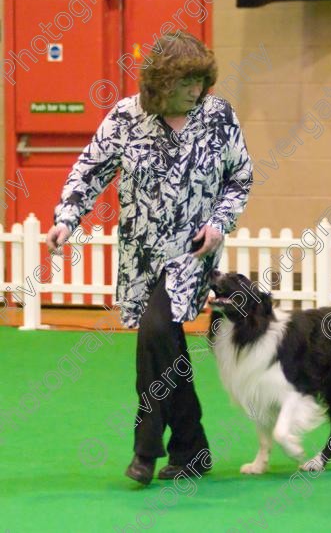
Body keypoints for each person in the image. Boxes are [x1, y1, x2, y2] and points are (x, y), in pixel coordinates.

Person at [46, 31, 253, 485]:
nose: (196, 91)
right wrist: (66, 219)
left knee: (156, 334)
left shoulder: (218, 117)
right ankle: (191, 447)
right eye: (186, 83)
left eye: (201, 81)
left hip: (193, 254)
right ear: (161, 83)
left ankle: (145, 449)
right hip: (141, 256)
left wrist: (219, 224)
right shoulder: (125, 117)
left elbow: (240, 178)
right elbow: (89, 170)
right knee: (166, 345)